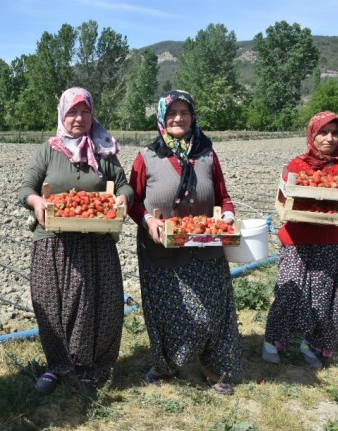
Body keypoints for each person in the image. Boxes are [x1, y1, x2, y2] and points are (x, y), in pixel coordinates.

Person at [17, 87, 133, 395]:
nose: (78, 118)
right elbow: (26, 187)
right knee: (52, 305)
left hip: (95, 240)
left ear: (93, 114)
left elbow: (123, 186)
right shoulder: (49, 149)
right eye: (72, 112)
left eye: (85, 111)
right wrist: (36, 202)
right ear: (62, 115)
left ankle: (89, 366)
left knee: (95, 304)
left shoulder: (104, 149)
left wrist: (122, 200)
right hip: (53, 241)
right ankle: (57, 365)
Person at [127, 90, 242, 395]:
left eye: (184, 112)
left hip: (205, 245)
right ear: (162, 118)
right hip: (161, 249)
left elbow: (223, 196)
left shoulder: (206, 154)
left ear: (193, 115)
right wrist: (149, 221)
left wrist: (227, 215)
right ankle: (164, 365)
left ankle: (211, 365)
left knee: (212, 310)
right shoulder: (147, 156)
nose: (178, 118)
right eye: (171, 113)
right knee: (166, 312)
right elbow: (133, 201)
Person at [262, 111, 338, 369]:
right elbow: (285, 194)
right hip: (298, 239)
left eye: (335, 133)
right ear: (312, 134)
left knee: (324, 299)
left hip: (332, 240)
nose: (330, 138)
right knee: (289, 293)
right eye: (323, 132)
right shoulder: (298, 165)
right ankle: (272, 341)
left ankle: (310, 344)